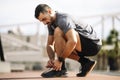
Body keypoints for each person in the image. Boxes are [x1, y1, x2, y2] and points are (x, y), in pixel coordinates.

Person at [34, 4, 102, 78]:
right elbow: (50, 44)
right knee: (57, 47)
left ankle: (60, 70)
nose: (44, 23)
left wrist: (59, 60)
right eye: (41, 21)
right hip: (82, 44)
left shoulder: (63, 19)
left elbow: (73, 41)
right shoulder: (50, 23)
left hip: (93, 44)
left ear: (49, 11)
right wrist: (52, 60)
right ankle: (86, 62)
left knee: (58, 30)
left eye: (44, 19)